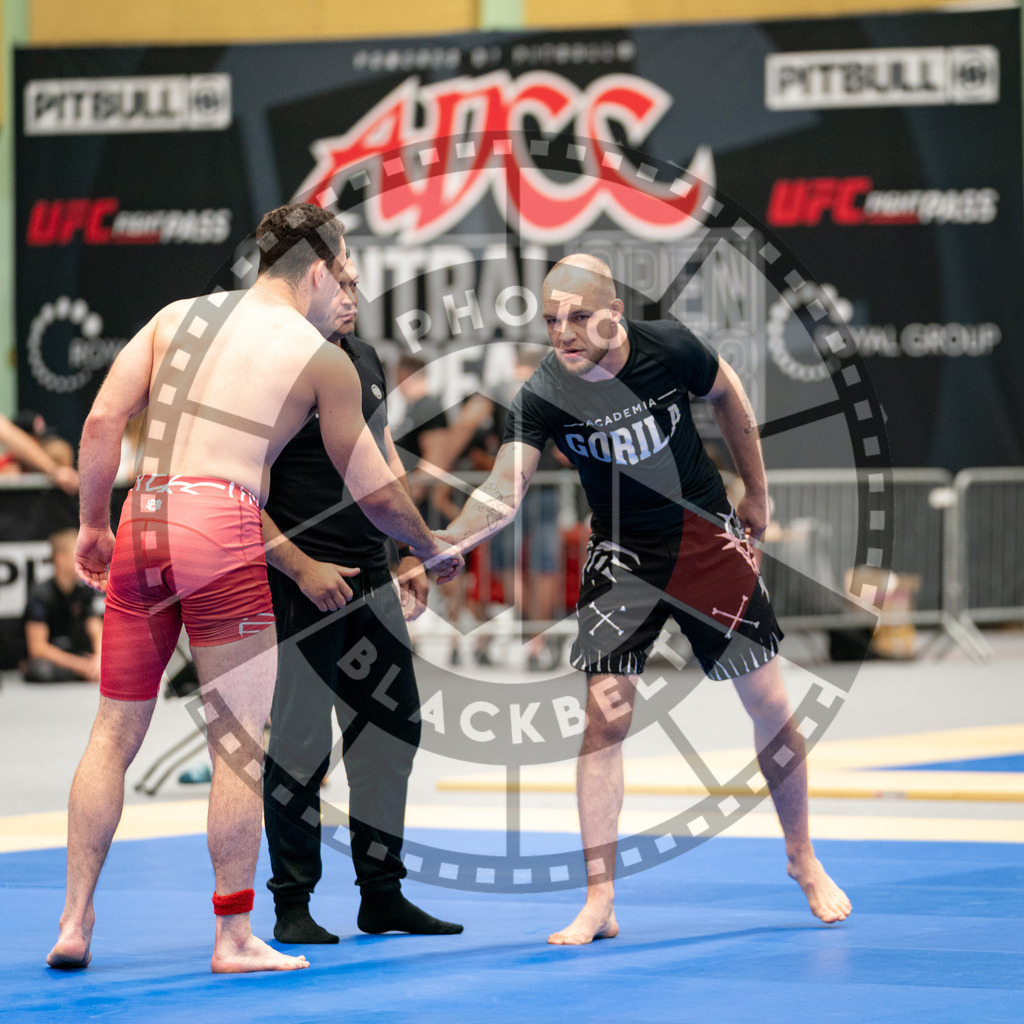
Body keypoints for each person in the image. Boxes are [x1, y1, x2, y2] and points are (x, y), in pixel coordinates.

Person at [47, 203, 462, 974]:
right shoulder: (317, 355)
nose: (341, 288)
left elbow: (103, 420)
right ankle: (234, 935)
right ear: (315, 271)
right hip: (222, 523)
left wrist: (94, 525)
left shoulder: (178, 315)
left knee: (111, 735)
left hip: (147, 512)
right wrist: (428, 547)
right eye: (337, 273)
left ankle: (74, 920)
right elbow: (373, 489)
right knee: (238, 748)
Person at [440, 254, 851, 945]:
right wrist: (448, 539)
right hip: (623, 556)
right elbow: (505, 491)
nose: (563, 333)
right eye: (550, 321)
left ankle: (802, 858)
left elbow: (731, 398)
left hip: (703, 542)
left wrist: (757, 491)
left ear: (614, 315)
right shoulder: (543, 393)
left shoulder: (669, 348)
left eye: (576, 318)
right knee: (603, 720)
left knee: (770, 704)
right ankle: (599, 900)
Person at [261, 255, 462, 942]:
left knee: (390, 733)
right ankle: (292, 904)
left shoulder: (365, 356)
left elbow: (382, 455)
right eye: (338, 285)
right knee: (299, 744)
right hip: (302, 585)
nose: (351, 297)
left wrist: (406, 551)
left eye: (355, 286)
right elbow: (237, 486)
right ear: (309, 286)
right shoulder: (276, 365)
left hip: (371, 576)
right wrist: (297, 565)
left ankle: (381, 893)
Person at [23, 528, 103, 682]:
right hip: (52, 661)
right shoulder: (40, 595)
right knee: (41, 670)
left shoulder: (83, 591)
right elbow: (37, 648)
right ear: (60, 559)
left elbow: (95, 629)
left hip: (78, 655)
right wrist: (80, 665)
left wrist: (99, 659)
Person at [0, 411, 79, 493]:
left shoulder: (49, 457)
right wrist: (55, 471)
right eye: (33, 440)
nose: (38, 444)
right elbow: (6, 433)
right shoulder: (8, 466)